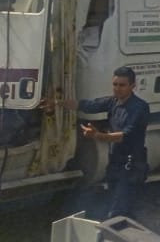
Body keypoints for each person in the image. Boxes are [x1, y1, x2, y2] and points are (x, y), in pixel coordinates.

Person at [42, 67, 150, 219]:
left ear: (133, 86)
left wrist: (96, 135)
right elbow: (87, 105)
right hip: (115, 162)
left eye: (122, 85)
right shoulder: (113, 102)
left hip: (131, 165)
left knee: (118, 210)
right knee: (117, 204)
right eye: (115, 84)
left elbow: (124, 136)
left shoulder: (140, 107)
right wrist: (57, 102)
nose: (117, 88)